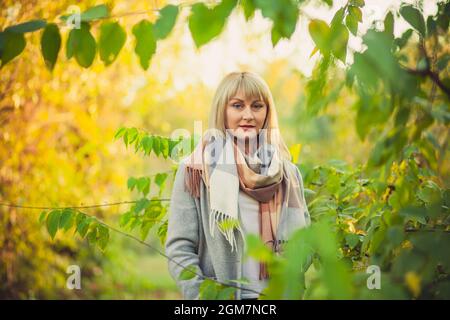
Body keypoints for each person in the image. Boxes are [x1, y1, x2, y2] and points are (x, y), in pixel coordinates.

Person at [165, 71, 311, 300]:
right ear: (222, 110)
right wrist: (204, 298)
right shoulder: (196, 170)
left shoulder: (287, 174)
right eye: (237, 105)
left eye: (256, 106)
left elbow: (305, 241)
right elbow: (179, 249)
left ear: (267, 112)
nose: (248, 115)